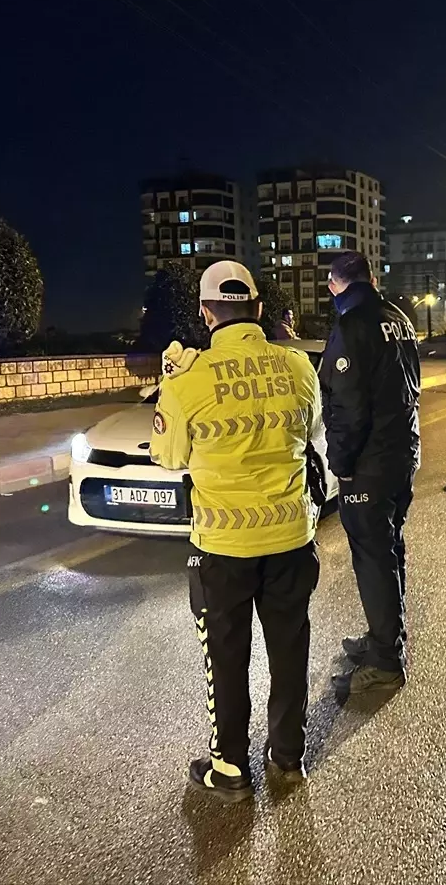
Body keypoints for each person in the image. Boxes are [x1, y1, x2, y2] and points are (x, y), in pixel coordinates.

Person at [149, 260, 323, 803]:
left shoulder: (189, 379)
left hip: (223, 546)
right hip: (292, 538)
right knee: (289, 646)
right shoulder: (297, 367)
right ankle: (287, 754)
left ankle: (229, 767)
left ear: (205, 314)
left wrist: (169, 383)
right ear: (260, 310)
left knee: (226, 656)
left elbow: (167, 456)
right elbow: (310, 428)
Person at [320, 251, 421, 697]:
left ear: (333, 284)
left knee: (374, 558)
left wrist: (340, 465)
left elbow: (347, 409)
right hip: (402, 455)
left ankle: (384, 661)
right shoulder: (398, 317)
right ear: (371, 278)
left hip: (369, 465)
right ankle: (386, 637)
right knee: (390, 547)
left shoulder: (352, 325)